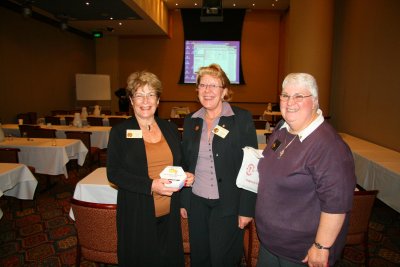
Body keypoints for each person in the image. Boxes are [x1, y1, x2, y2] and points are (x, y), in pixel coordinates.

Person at [255, 73, 356, 267]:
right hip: (270, 243)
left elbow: (337, 204)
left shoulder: (329, 146)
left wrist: (321, 246)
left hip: (300, 252)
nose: (290, 102)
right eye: (285, 95)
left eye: (299, 96)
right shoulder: (282, 130)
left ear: (315, 101)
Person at [107, 71, 194, 266]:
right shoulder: (120, 132)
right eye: (139, 95)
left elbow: (179, 162)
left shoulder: (170, 128)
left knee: (168, 260)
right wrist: (151, 185)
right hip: (137, 213)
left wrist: (186, 174)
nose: (145, 101)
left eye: (151, 94)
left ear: (158, 100)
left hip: (169, 212)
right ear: (131, 100)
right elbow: (114, 173)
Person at [180, 63, 258, 266]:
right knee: (200, 257)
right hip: (197, 202)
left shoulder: (241, 119)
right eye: (203, 85)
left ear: (224, 91)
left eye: (214, 85)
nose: (207, 91)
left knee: (223, 259)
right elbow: (186, 162)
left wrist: (247, 208)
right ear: (197, 90)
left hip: (229, 203)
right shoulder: (191, 121)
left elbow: (252, 166)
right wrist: (184, 199)